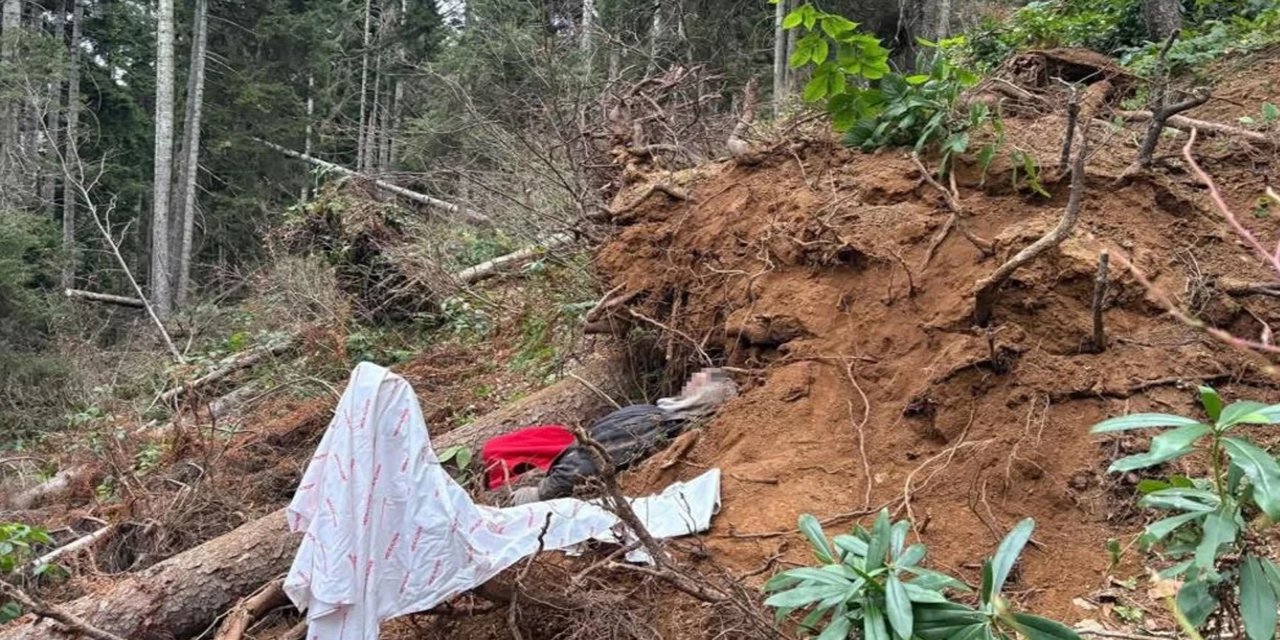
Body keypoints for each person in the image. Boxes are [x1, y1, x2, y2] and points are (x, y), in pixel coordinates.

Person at [509, 368, 737, 505]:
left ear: (702, 399)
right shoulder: (654, 414)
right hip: (557, 469)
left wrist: (543, 491)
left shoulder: (656, 425)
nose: (688, 384)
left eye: (698, 384)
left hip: (559, 485)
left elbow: (590, 461)